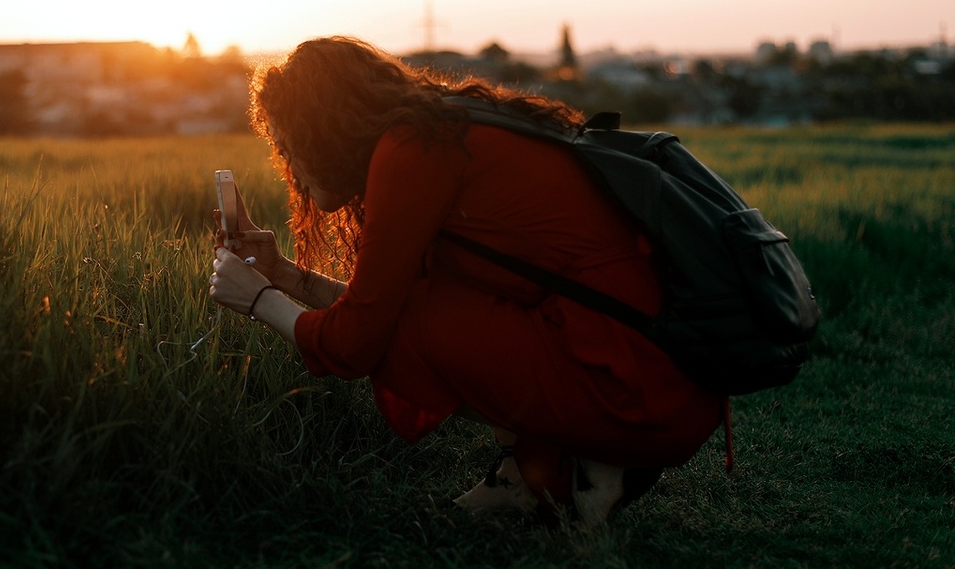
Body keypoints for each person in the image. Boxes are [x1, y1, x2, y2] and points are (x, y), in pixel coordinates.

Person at [208, 36, 723, 525]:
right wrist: (281, 274)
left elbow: (358, 342)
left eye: (287, 143)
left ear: (321, 128)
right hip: (657, 372)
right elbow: (380, 309)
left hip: (638, 387)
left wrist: (259, 300)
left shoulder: (412, 151)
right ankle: (538, 470)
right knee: (427, 312)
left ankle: (588, 461)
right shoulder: (439, 131)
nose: (289, 166)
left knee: (424, 325)